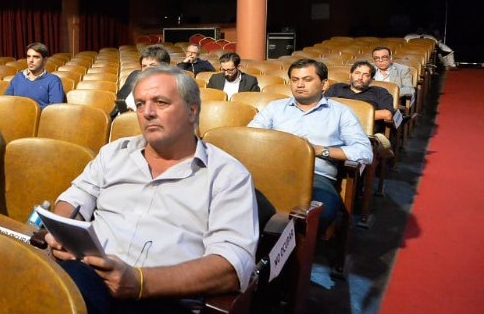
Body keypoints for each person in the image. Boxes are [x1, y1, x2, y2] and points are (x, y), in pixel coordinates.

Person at [45, 66, 258, 314]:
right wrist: (63, 233)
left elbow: (231, 266)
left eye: (161, 102)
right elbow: (75, 199)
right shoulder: (114, 153)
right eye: (140, 104)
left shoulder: (227, 175)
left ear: (192, 110)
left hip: (164, 298)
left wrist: (141, 282)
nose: (147, 112)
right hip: (85, 277)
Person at [248, 59, 372, 230]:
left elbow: (364, 152)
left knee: (315, 215)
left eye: (307, 80)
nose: (299, 85)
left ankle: (294, 253)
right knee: (237, 205)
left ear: (324, 84)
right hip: (271, 171)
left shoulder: (341, 113)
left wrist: (319, 150)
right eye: (294, 79)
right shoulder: (274, 108)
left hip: (315, 177)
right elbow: (249, 137)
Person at [324, 60, 396, 157]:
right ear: (350, 75)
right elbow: (323, 108)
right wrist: (362, 114)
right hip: (332, 130)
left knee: (369, 146)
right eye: (357, 73)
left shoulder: (380, 92)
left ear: (371, 79)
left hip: (364, 133)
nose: (360, 77)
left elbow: (387, 114)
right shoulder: (336, 88)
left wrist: (345, 116)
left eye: (366, 75)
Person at [113, 45, 171, 117]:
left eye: (152, 65)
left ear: (165, 67)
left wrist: (136, 113)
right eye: (144, 66)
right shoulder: (134, 76)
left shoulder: (172, 87)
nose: (147, 69)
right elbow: (119, 102)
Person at [4, 42, 65, 108]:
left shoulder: (53, 80)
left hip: (41, 117)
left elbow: (54, 109)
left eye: (36, 57)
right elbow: (7, 102)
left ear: (45, 60)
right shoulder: (18, 77)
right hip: (16, 117)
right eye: (28, 56)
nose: (31, 60)